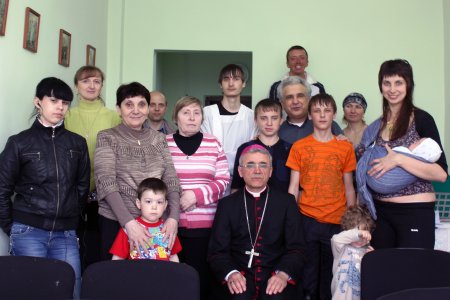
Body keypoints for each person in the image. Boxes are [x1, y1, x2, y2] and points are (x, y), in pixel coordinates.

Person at [0, 77, 90, 298]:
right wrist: (11, 227)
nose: (60, 107)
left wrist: (72, 219)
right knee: (33, 291)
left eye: (65, 102)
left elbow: (81, 187)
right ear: (37, 102)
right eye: (53, 100)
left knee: (71, 291)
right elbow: (2, 188)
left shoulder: (77, 143)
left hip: (66, 234)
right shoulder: (19, 142)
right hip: (28, 231)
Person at [356, 59, 448, 250]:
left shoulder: (422, 119)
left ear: (408, 85)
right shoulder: (376, 126)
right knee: (383, 274)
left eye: (399, 82)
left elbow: (441, 173)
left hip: (414, 211)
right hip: (380, 214)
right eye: (386, 83)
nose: (392, 89)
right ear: (380, 85)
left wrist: (399, 159)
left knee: (413, 274)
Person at [94, 81, 181, 260]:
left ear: (148, 108)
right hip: (116, 221)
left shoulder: (159, 139)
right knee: (117, 282)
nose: (135, 110)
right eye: (128, 104)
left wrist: (173, 218)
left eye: (141, 104)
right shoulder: (107, 137)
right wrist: (129, 224)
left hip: (156, 223)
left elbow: (171, 179)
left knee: (156, 281)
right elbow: (106, 182)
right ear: (118, 109)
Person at [208, 145, 306, 300]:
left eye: (263, 165)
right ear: (240, 171)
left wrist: (283, 274)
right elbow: (217, 252)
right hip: (240, 273)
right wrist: (231, 273)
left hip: (275, 271)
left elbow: (297, 249)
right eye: (250, 165)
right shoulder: (227, 205)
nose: (257, 171)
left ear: (271, 171)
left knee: (277, 296)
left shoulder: (286, 202)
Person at [287, 93, 356, 300]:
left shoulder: (344, 147)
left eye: (327, 110)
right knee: (307, 274)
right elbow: (293, 187)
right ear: (310, 116)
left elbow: (349, 187)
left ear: (334, 114)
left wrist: (351, 221)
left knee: (332, 274)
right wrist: (291, 220)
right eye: (317, 111)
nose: (322, 115)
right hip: (307, 218)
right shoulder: (299, 147)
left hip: (336, 220)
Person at [166, 96, 230, 300]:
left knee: (200, 280)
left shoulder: (213, 144)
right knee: (170, 281)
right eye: (186, 113)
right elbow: (154, 180)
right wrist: (176, 200)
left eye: (196, 113)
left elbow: (223, 180)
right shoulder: (162, 143)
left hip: (205, 227)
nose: (192, 118)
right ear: (176, 117)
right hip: (168, 226)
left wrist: (196, 195)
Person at [65, 65, 121, 268]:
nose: (91, 85)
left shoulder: (114, 116)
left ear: (102, 86)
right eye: (85, 81)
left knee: (100, 243)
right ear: (76, 86)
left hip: (104, 191)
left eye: (96, 81)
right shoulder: (66, 115)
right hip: (71, 191)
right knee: (74, 243)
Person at [201, 64, 257, 186]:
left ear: (243, 84)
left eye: (236, 79)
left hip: (242, 181)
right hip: (211, 180)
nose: (231, 84)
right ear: (220, 84)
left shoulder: (251, 116)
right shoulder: (207, 113)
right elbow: (204, 148)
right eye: (226, 79)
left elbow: (251, 150)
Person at [110, 178, 182, 261]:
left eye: (159, 202)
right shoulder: (129, 229)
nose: (154, 207)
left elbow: (173, 257)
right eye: (148, 201)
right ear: (139, 203)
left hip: (162, 273)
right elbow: (117, 259)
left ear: (165, 205)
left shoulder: (169, 229)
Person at [231, 99, 291, 193]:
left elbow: (296, 187)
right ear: (255, 120)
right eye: (263, 118)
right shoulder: (245, 149)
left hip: (283, 205)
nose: (269, 123)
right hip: (250, 205)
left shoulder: (291, 149)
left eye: (274, 118)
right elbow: (236, 186)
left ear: (281, 120)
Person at [277, 76, 342, 145]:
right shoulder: (276, 130)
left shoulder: (329, 125)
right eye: (289, 97)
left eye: (300, 96)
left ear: (309, 99)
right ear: (282, 104)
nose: (295, 101)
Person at [331, 205, 375, 300]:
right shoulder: (341, 247)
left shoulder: (367, 251)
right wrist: (358, 233)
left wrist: (373, 259)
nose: (360, 239)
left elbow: (374, 277)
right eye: (358, 235)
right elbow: (335, 239)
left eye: (364, 234)